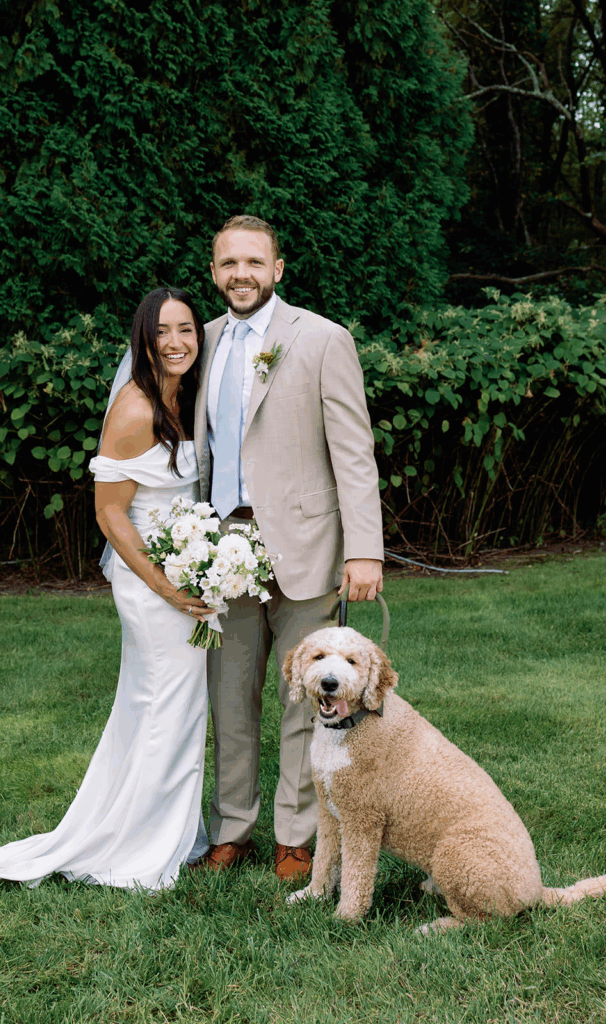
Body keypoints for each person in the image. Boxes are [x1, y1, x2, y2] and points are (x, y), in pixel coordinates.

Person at [0, 287, 212, 890]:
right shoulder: (134, 409)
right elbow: (110, 516)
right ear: (143, 341)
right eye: (162, 333)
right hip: (152, 581)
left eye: (186, 329)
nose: (176, 343)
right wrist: (169, 589)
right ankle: (136, 847)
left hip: (185, 571)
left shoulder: (185, 398)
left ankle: (166, 829)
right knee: (163, 706)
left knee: (169, 708)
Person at [193, 215, 384, 879]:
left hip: (307, 545)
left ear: (277, 269)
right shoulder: (204, 340)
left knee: (306, 697)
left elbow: (353, 451)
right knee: (230, 696)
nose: (239, 273)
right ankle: (232, 830)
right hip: (223, 549)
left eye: (252, 262)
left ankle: (295, 835)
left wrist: (364, 549)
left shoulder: (322, 338)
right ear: (214, 272)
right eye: (227, 263)